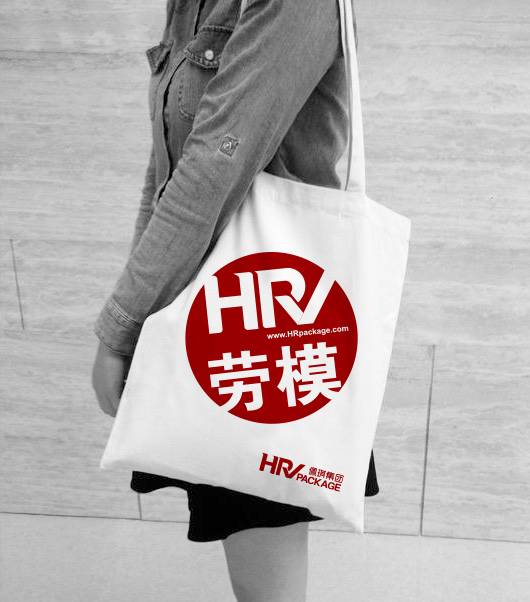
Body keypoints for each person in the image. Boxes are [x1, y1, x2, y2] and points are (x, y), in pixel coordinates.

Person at [91, 0, 378, 600]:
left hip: (267, 327)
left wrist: (123, 325)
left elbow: (215, 162)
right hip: (201, 311)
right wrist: (141, 314)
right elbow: (166, 172)